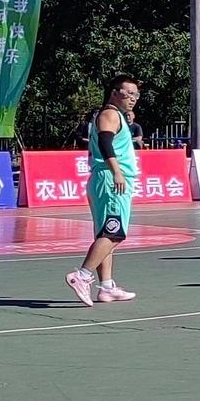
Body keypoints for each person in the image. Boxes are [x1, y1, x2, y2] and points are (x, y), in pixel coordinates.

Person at [66, 75, 141, 306]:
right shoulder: (110, 114)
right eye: (128, 93)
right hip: (111, 179)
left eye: (136, 95)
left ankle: (107, 287)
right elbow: (105, 142)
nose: (133, 98)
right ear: (114, 92)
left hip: (105, 178)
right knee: (113, 233)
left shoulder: (116, 115)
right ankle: (82, 275)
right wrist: (116, 171)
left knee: (105, 234)